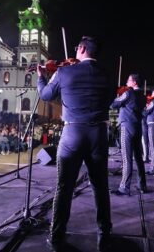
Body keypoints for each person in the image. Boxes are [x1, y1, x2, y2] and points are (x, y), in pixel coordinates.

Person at [38, 36, 114, 252]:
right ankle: (104, 236)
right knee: (100, 187)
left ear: (81, 48)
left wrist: (41, 77)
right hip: (98, 133)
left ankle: (56, 236)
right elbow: (109, 100)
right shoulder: (107, 75)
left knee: (64, 187)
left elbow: (45, 95)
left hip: (72, 132)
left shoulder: (63, 72)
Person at [110, 74, 147, 195]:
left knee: (126, 158)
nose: (126, 83)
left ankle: (124, 187)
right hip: (138, 127)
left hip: (127, 126)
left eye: (128, 80)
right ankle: (142, 185)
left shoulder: (129, 93)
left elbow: (114, 104)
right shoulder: (143, 96)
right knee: (138, 158)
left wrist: (116, 96)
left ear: (134, 82)